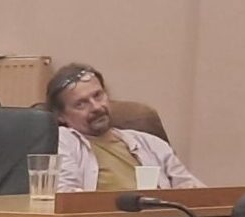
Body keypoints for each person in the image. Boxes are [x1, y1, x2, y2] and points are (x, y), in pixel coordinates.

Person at [49, 63, 202, 192]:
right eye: (81, 104)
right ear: (61, 116)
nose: (96, 107)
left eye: (98, 96)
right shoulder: (62, 141)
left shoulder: (151, 144)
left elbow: (195, 191)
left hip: (161, 215)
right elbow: (66, 196)